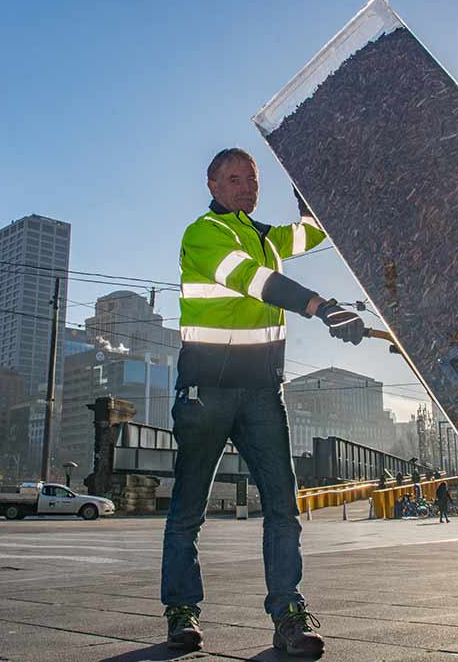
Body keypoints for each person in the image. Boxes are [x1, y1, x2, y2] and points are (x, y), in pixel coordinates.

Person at [162, 148, 366, 656]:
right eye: (233, 179)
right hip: (205, 393)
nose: (244, 188)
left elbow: (314, 231)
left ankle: (288, 614)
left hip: (261, 394)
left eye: (251, 180)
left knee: (282, 507)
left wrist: (309, 184)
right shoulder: (203, 235)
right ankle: (182, 611)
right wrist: (321, 307)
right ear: (212, 186)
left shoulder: (266, 236)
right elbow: (255, 281)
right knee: (188, 511)